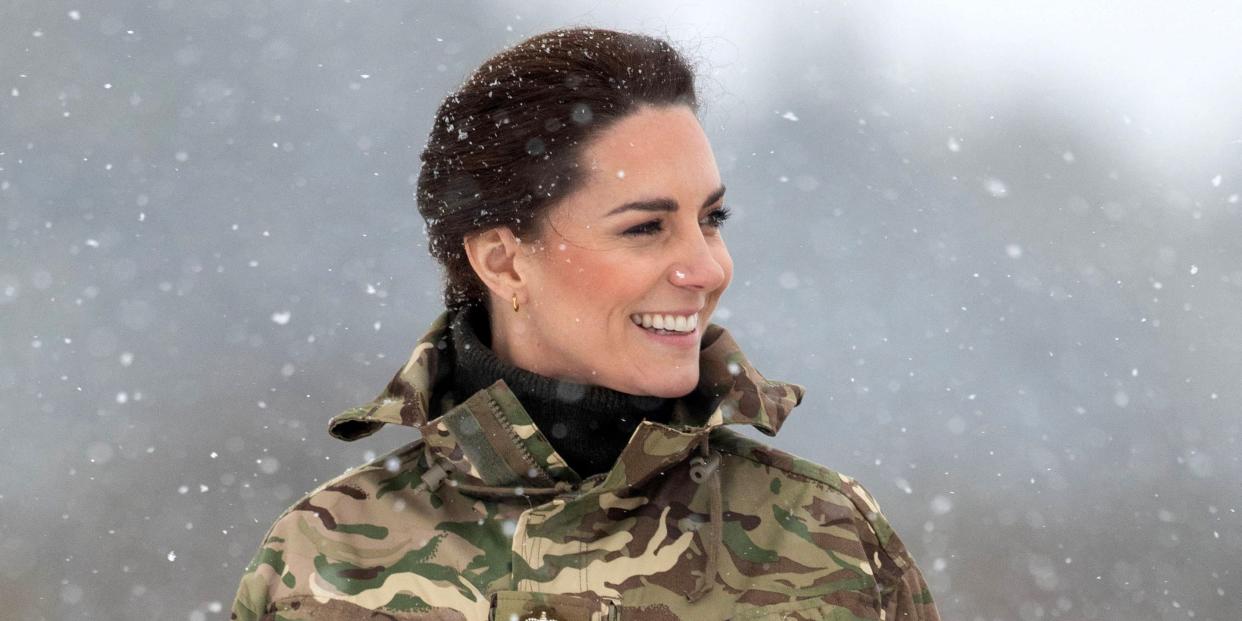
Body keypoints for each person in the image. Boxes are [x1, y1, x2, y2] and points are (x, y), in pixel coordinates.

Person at [230, 26, 940, 621]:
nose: (707, 268)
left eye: (711, 220)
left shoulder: (826, 536)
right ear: (505, 262)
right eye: (646, 228)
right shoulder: (324, 556)